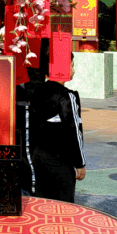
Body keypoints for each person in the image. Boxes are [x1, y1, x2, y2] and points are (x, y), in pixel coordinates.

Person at [29, 54, 86, 203]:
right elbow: (74, 130)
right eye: (72, 66)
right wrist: (80, 163)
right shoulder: (67, 97)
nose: (74, 70)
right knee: (64, 204)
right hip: (61, 160)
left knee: (42, 202)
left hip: (38, 155)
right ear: (62, 69)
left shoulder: (36, 92)